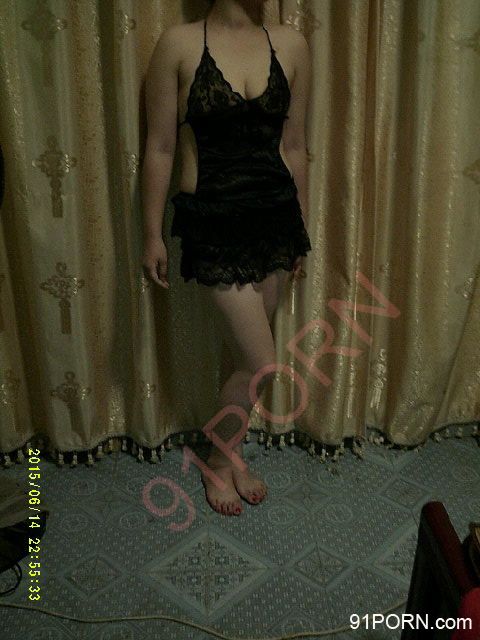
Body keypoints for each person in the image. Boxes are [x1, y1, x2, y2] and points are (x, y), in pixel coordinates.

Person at [142, 0, 312, 517]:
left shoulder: (291, 43)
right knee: (262, 363)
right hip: (213, 221)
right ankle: (217, 459)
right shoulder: (178, 43)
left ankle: (229, 453)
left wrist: (300, 230)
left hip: (275, 218)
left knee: (244, 361)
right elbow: (160, 147)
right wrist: (152, 234)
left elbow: (296, 146)